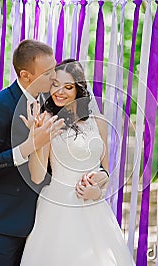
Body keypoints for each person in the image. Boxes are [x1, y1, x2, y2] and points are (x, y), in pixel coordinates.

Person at [20, 59, 135, 265]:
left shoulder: (98, 122)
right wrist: (37, 137)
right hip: (58, 208)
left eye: (68, 86)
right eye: (55, 84)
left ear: (79, 89)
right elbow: (37, 176)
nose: (60, 92)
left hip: (93, 206)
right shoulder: (46, 120)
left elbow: (106, 172)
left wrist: (98, 189)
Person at [0, 39, 65, 265]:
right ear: (25, 75)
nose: (55, 77)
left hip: (44, 223)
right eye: (48, 72)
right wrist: (28, 146)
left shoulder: (53, 105)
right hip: (2, 224)